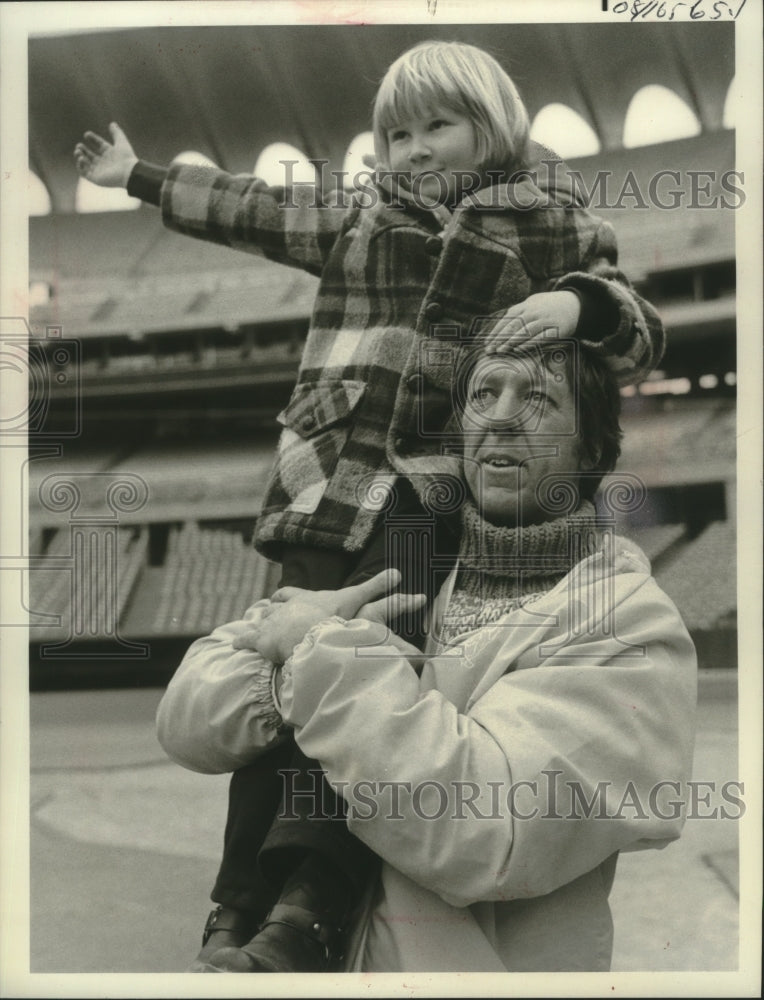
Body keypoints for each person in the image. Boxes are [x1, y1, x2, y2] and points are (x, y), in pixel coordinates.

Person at [75, 40, 666, 972]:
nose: (414, 149)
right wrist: (139, 177)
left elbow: (637, 331)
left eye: (438, 126)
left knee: (372, 678)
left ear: (496, 128)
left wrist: (575, 308)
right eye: (396, 134)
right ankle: (236, 903)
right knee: (276, 686)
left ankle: (312, 898)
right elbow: (253, 208)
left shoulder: (551, 224)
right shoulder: (356, 219)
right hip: (325, 485)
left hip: (432, 491)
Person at [156, 337, 698, 972]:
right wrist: (288, 680)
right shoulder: (399, 563)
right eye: (482, 395)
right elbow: (185, 723)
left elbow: (485, 830)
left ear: (593, 449)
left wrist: (314, 652)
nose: (499, 415)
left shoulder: (629, 624)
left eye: (538, 398)